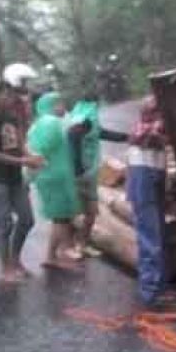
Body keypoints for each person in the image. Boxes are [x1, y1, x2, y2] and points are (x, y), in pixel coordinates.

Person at [0, 80, 45, 283]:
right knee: (4, 224)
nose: (9, 99)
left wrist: (33, 157)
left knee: (27, 219)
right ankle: (5, 268)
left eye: (10, 95)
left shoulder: (12, 118)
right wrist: (25, 160)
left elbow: (20, 144)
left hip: (15, 176)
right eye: (5, 95)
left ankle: (16, 260)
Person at [126, 95, 174, 306]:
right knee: (150, 236)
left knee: (158, 233)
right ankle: (150, 293)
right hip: (143, 176)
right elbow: (154, 136)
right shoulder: (145, 131)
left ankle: (159, 287)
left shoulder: (154, 130)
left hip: (153, 174)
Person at [67, 92, 128, 257]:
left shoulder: (84, 116)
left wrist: (125, 137)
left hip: (88, 170)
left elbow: (100, 133)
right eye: (96, 103)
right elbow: (72, 139)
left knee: (91, 211)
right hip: (81, 171)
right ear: (93, 102)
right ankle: (70, 246)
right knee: (78, 211)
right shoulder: (83, 118)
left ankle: (82, 243)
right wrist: (78, 167)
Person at [27, 91, 82, 271]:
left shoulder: (38, 124)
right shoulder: (51, 123)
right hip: (54, 175)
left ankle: (62, 251)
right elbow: (44, 149)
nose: (62, 107)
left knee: (61, 217)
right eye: (58, 104)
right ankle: (50, 256)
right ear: (48, 106)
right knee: (61, 218)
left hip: (48, 175)